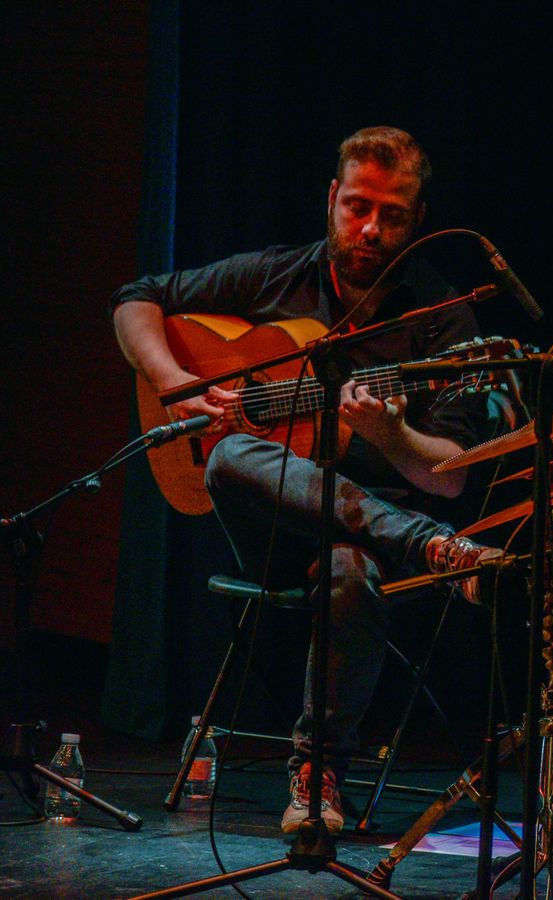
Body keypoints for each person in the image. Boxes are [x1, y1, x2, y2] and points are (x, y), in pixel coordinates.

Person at [111, 126, 505, 837]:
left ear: (417, 220)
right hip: (273, 531)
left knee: (353, 570)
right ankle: (436, 549)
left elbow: (450, 480)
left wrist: (391, 434)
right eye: (357, 206)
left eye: (391, 215)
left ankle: (316, 774)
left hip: (370, 541)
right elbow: (136, 299)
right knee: (230, 454)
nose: (370, 229)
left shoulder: (446, 323)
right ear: (332, 198)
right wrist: (175, 383)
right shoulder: (275, 275)